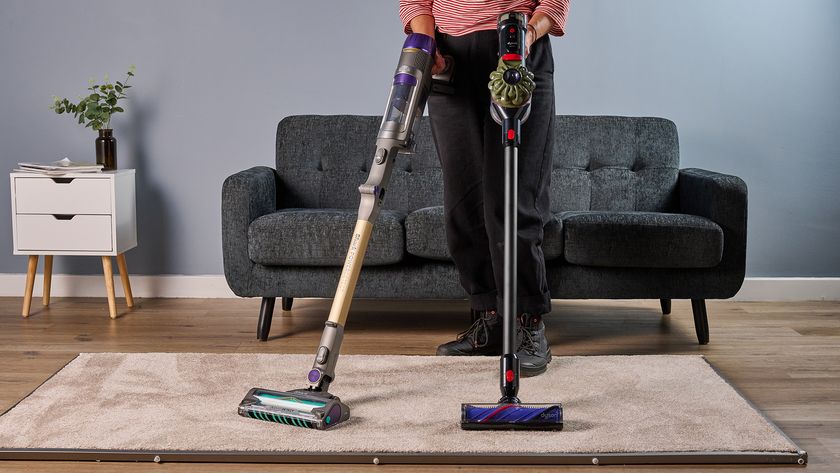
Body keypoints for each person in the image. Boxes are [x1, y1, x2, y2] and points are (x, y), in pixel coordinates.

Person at [399, 0, 570, 376]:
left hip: (517, 46)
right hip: (449, 58)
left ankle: (528, 323)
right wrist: (430, 49)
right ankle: (490, 318)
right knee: (464, 203)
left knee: (513, 199)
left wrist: (529, 34)